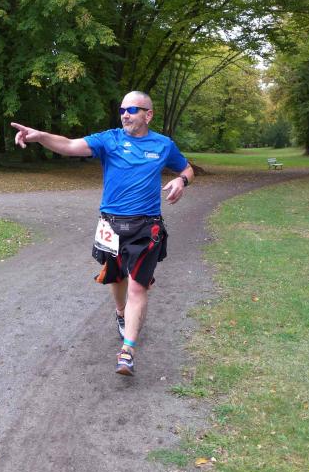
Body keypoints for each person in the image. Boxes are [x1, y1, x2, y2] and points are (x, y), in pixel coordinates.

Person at [11, 91, 194, 376]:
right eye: (122, 110)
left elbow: (187, 168)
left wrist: (181, 180)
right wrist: (41, 136)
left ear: (148, 115)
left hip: (147, 226)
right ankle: (121, 312)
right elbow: (70, 145)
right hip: (111, 225)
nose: (125, 115)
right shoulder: (109, 139)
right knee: (116, 277)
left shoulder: (163, 145)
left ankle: (127, 351)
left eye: (132, 110)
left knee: (138, 286)